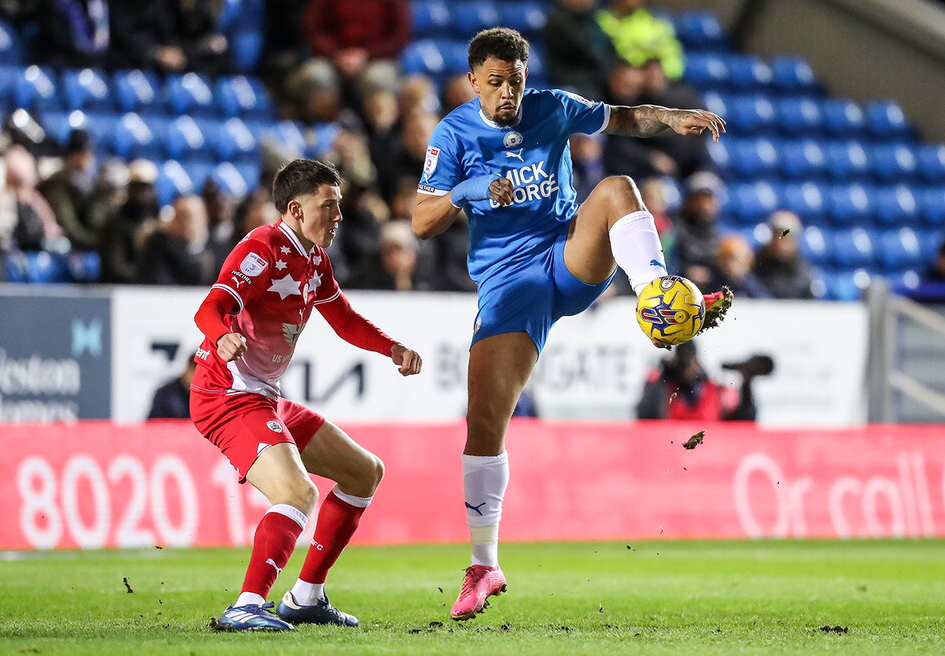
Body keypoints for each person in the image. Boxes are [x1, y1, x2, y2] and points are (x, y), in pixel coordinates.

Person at [411, 27, 730, 621]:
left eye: (516, 80)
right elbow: (422, 221)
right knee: (485, 421)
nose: (508, 92)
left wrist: (669, 116)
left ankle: (658, 295)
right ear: (474, 79)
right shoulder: (454, 132)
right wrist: (471, 189)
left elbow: (621, 117)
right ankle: (485, 564)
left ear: (526, 77)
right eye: (496, 81)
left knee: (615, 187)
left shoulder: (551, 107)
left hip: (566, 257)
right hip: (510, 282)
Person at [191, 159, 422, 631]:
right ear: (295, 209)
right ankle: (246, 606)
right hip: (226, 394)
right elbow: (211, 307)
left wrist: (391, 347)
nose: (339, 216)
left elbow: (345, 320)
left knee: (363, 472)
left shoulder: (314, 258)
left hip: (263, 396)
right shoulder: (262, 249)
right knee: (297, 492)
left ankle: (306, 597)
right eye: (329, 206)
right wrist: (221, 336)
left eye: (339, 206)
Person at [636, 340, 770, 421]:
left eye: (692, 360)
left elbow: (745, 424)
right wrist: (665, 373)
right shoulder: (663, 387)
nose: (691, 367)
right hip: (670, 457)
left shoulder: (717, 391)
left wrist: (747, 384)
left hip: (711, 459)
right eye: (685, 362)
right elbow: (647, 418)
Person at [596, 0, 685, 79]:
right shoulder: (600, 20)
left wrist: (661, 73)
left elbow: (674, 61)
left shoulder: (655, 23)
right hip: (614, 80)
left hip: (656, 84)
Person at [753, 210, 815, 299]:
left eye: (786, 239)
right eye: (777, 237)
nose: (780, 244)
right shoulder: (757, 263)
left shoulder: (802, 271)